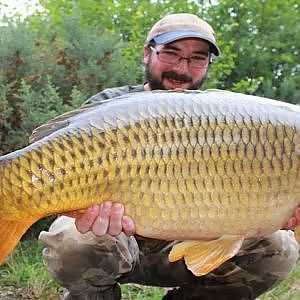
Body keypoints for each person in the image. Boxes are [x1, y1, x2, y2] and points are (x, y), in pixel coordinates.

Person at [38, 13, 300, 300]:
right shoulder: (109, 105)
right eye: (172, 53)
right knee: (73, 242)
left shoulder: (225, 114)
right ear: (147, 52)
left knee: (279, 248)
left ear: (208, 64)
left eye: (196, 58)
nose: (182, 67)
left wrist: (274, 215)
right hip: (117, 242)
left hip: (183, 246)